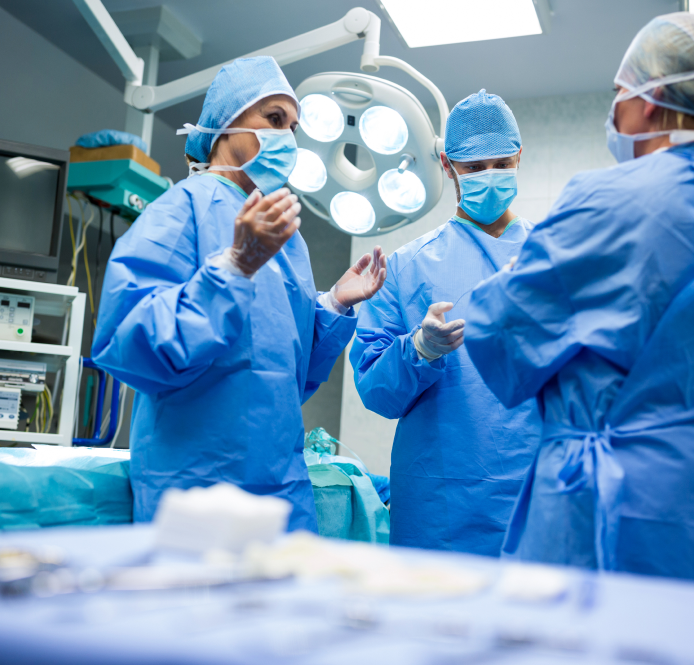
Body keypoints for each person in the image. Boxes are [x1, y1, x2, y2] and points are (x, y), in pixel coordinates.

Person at [92, 56, 386, 530]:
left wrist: (333, 305)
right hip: (194, 487)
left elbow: (286, 374)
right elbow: (131, 345)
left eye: (293, 127)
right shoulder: (179, 211)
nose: (287, 138)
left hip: (282, 488)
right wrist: (233, 267)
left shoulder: (287, 242)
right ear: (226, 125)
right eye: (273, 120)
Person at [464, 13, 694, 579]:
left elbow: (499, 336)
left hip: (613, 502)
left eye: (619, 93)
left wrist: (513, 280)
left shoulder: (608, 200)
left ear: (651, 97)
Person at [349, 90, 542, 554]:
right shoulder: (407, 266)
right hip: (439, 505)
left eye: (500, 163)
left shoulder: (551, 261)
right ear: (447, 165)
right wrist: (418, 350)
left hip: (534, 492)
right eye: (474, 168)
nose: (488, 177)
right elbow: (377, 392)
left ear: (519, 156)